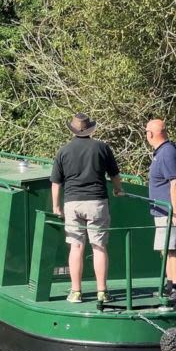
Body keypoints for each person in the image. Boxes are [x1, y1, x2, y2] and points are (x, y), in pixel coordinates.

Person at [50, 113, 124, 303]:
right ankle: (102, 292)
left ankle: (76, 292)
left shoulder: (63, 151)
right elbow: (115, 175)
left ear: (72, 129)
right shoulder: (102, 148)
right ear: (91, 129)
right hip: (97, 202)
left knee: (76, 247)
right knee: (99, 246)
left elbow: (56, 184)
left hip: (72, 203)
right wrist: (118, 190)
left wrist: (56, 207)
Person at [145, 119, 176, 306]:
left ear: (151, 134)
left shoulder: (167, 153)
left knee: (172, 249)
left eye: (146, 131)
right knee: (166, 250)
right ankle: (170, 284)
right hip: (162, 212)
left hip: (170, 212)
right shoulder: (162, 152)